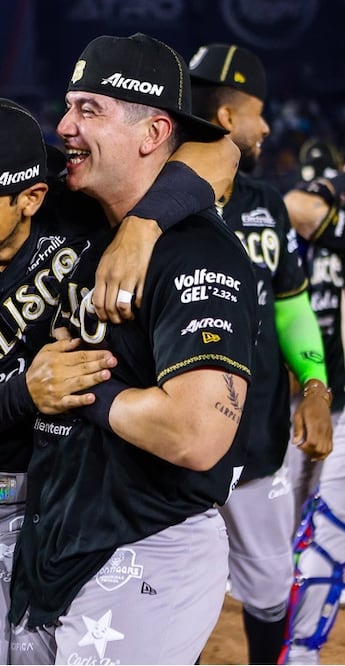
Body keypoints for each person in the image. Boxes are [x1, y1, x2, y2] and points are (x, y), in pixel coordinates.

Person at [0, 96, 238, 663]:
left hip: (38, 503)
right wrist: (29, 391)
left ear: (31, 198)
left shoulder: (71, 193)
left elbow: (220, 150)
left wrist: (142, 228)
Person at [7, 33, 259, 664]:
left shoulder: (198, 252)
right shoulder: (76, 208)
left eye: (89, 110)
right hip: (57, 545)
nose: (64, 125)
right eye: (68, 106)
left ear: (152, 134)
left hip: (147, 545)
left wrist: (80, 386)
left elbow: (197, 433)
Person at [187, 42, 333, 665]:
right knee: (164, 586)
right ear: (227, 120)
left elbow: (292, 303)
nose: (267, 126)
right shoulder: (150, 207)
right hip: (172, 454)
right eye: (257, 112)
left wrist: (317, 386)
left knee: (270, 591)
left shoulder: (267, 206)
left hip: (259, 447)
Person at [281, 141, 345, 664]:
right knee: (297, 500)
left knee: (328, 520)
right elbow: (292, 208)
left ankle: (299, 647)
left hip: (333, 392)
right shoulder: (318, 226)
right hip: (310, 385)